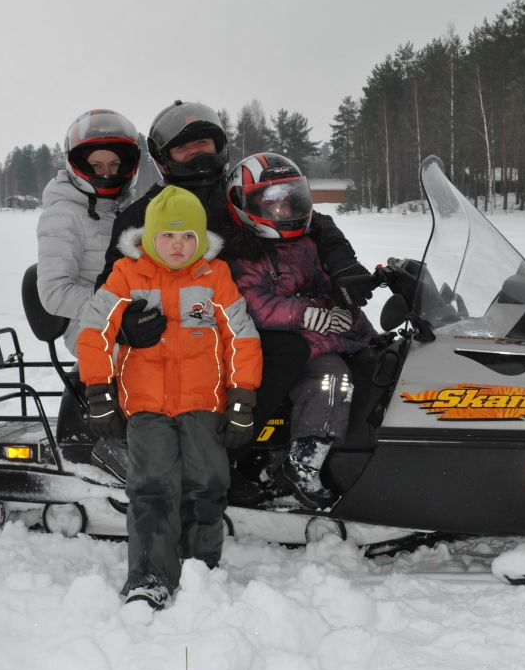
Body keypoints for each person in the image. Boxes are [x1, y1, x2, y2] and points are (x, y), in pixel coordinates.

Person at [97, 100, 375, 501]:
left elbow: (313, 223)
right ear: (163, 159)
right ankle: (221, 456)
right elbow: (110, 283)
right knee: (285, 348)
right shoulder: (147, 215)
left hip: (236, 314)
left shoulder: (238, 193)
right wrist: (125, 320)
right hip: (179, 327)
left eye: (205, 144)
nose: (198, 155)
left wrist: (342, 262)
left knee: (338, 350)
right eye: (183, 148)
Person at [76, 186, 262, 609]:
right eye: (167, 237)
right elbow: (94, 330)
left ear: (199, 239)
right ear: (149, 238)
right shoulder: (127, 274)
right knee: (153, 488)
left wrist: (242, 399)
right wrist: (99, 389)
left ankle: (200, 571)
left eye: (187, 238)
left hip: (203, 405)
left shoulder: (214, 276)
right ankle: (150, 577)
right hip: (146, 406)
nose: (178, 247)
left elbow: (242, 337)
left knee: (208, 484)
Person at [224, 153, 376, 508]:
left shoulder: (308, 243)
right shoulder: (242, 255)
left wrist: (344, 307)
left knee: (379, 364)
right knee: (331, 380)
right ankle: (304, 464)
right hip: (284, 343)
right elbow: (253, 304)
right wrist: (305, 315)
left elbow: (328, 286)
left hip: (327, 335)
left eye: (291, 200)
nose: (284, 210)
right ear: (245, 205)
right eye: (272, 203)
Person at [35, 108, 144, 474]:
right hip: (85, 324)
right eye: (97, 164)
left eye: (114, 164)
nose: (107, 173)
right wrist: (117, 309)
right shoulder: (64, 213)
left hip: (126, 313)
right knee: (144, 357)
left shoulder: (121, 207)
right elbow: (54, 291)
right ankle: (115, 446)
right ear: (77, 163)